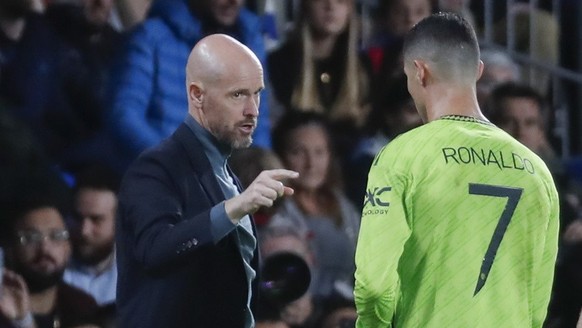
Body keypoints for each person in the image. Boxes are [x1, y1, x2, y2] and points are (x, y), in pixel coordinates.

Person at [354, 12, 560, 328]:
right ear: (478, 71)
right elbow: (537, 300)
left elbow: (374, 286)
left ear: (419, 72)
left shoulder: (402, 156)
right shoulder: (537, 171)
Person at [115, 34, 298, 328]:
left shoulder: (228, 176)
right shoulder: (157, 167)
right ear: (197, 95)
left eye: (257, 93)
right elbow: (155, 250)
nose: (253, 110)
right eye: (238, 95)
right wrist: (234, 208)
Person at [107, 0, 272, 172]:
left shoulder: (250, 42)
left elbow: (258, 126)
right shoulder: (151, 37)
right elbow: (125, 117)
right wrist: (177, 162)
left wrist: (252, 168)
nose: (234, 2)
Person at [270, 110, 360, 299]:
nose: (311, 163)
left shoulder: (342, 205)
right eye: (298, 152)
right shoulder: (274, 208)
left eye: (319, 152)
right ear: (281, 156)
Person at [0, 169, 101, 328]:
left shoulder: (82, 305)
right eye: (31, 238)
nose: (45, 248)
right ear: (9, 249)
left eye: (56, 236)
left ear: (68, 246)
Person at [63, 164, 120, 307]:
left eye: (96, 220)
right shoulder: (46, 267)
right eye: (77, 217)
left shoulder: (138, 275)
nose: (84, 230)